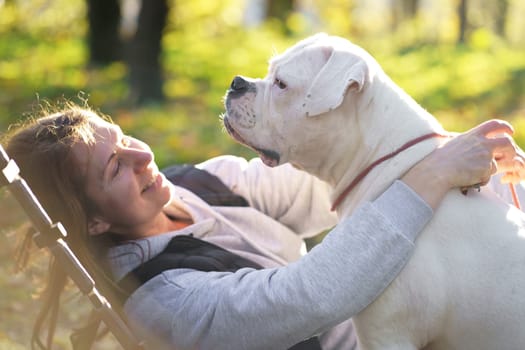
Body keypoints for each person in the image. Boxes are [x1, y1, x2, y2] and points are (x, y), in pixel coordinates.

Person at [2, 102, 524, 350]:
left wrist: (451, 151)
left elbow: (329, 184)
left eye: (123, 138)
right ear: (92, 221)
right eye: (115, 167)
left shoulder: (201, 185)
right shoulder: (164, 305)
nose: (141, 156)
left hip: (405, 324)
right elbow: (313, 296)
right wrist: (432, 172)